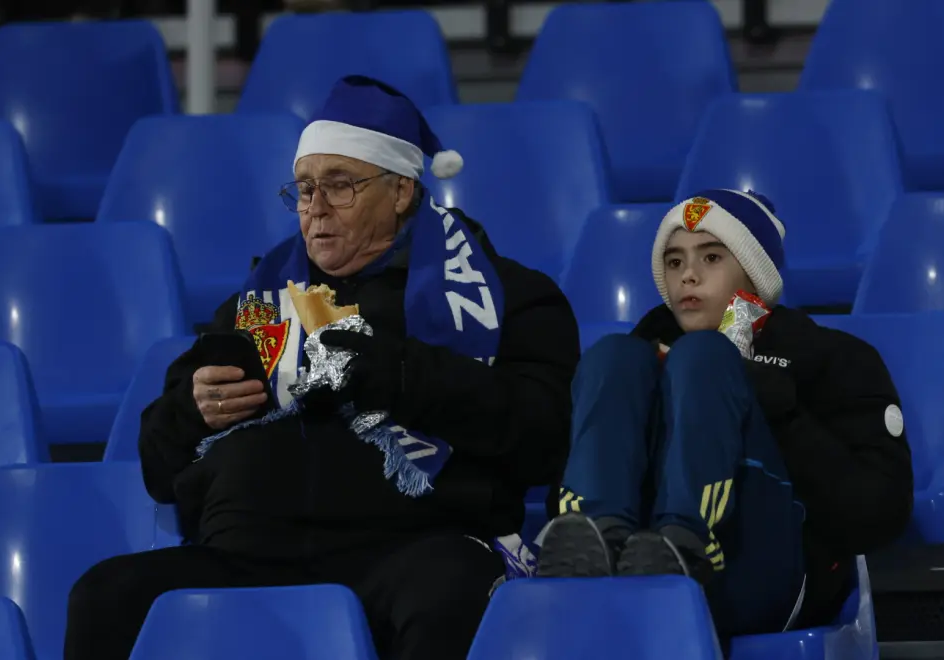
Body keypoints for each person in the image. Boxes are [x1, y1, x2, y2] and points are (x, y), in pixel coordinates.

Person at [64, 75, 580, 660]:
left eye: (340, 187)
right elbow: (160, 471)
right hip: (247, 553)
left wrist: (396, 372)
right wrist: (191, 412)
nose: (315, 210)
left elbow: (543, 437)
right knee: (106, 593)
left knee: (449, 586)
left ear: (403, 191)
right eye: (305, 189)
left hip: (406, 547)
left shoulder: (506, 297)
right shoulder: (253, 306)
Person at [537, 189, 913, 644]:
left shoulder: (829, 355)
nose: (688, 276)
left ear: (754, 272)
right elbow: (567, 473)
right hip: (629, 560)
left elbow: (879, 512)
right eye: (674, 262)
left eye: (711, 257)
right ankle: (600, 544)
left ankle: (686, 544)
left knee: (703, 357)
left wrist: (776, 406)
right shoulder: (635, 351)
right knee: (612, 355)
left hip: (766, 571)